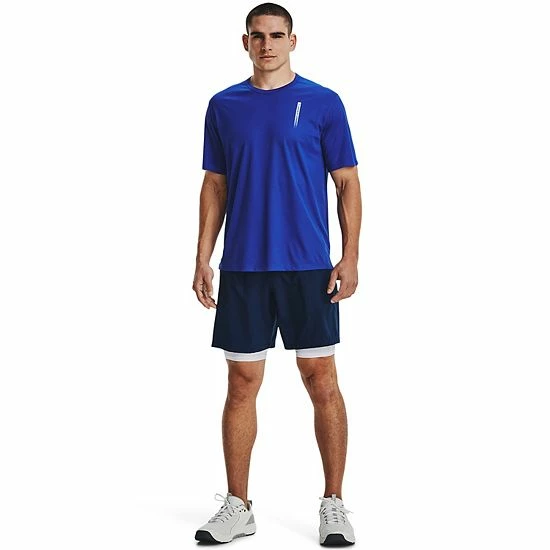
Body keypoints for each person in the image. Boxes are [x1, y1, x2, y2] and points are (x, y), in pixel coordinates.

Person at [192, 2, 362, 546]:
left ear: (293, 40)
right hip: (244, 267)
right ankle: (238, 506)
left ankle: (333, 503)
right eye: (258, 36)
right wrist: (202, 256)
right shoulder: (223, 105)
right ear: (245, 43)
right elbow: (215, 184)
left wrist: (350, 256)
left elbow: (347, 182)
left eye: (276, 35)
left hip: (308, 267)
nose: (267, 44)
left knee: (321, 381)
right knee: (241, 384)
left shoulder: (323, 102)